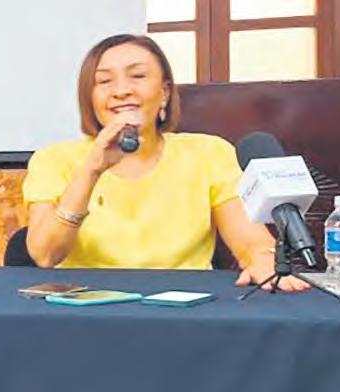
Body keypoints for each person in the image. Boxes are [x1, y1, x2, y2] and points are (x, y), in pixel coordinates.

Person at [23, 34, 307, 291]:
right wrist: (91, 170)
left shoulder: (209, 153)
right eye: (104, 81)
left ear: (165, 92)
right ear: (90, 97)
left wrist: (263, 259)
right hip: (86, 309)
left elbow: (252, 243)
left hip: (184, 308)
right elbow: (45, 255)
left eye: (137, 76)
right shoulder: (53, 159)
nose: (121, 90)